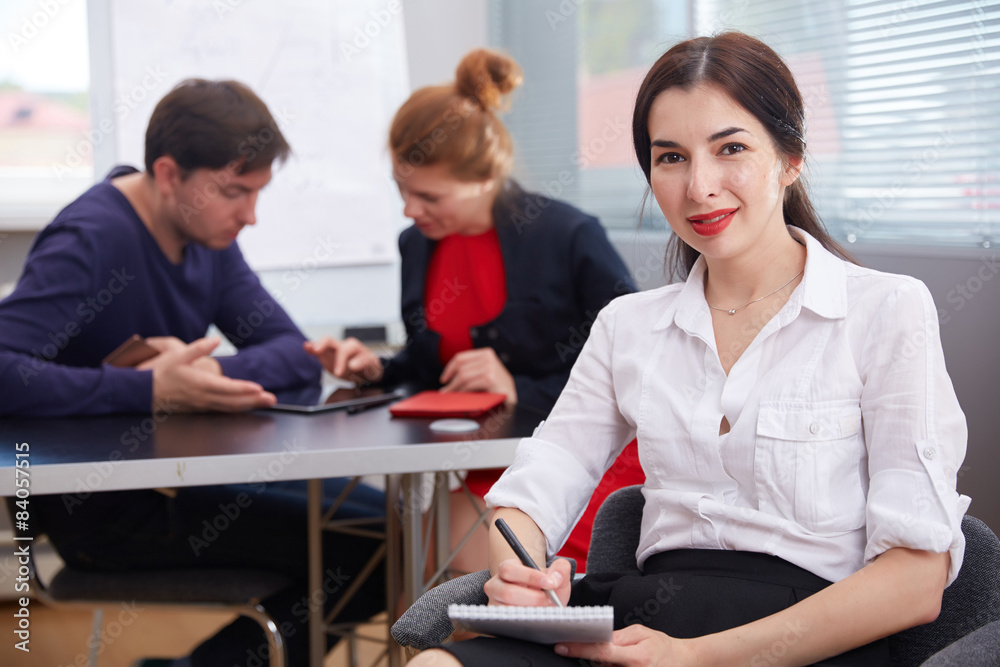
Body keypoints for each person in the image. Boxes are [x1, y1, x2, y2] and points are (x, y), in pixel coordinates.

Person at [410, 32, 970, 667]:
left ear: (791, 159)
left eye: (730, 148)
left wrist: (698, 658)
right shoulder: (628, 324)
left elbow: (918, 580)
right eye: (670, 157)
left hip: (806, 640)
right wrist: (522, 572)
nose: (699, 187)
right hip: (642, 626)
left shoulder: (888, 310)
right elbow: (545, 476)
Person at [0, 79, 385, 667]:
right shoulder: (91, 239)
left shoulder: (207, 234)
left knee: (390, 526)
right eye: (234, 192)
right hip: (107, 513)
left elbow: (291, 350)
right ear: (169, 173)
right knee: (377, 547)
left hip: (195, 478)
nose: (251, 216)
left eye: (258, 193)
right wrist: (150, 387)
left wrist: (192, 375)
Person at [305, 48, 642, 575]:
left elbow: (639, 365)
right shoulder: (417, 245)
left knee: (455, 570)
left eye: (428, 196)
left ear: (485, 178)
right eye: (401, 188)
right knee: (414, 578)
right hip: (478, 457)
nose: (409, 210)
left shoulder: (569, 235)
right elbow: (428, 362)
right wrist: (377, 368)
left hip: (576, 458)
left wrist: (518, 389)